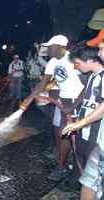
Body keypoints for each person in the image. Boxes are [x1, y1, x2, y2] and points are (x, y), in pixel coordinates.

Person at [20, 35, 84, 181]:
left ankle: (69, 168)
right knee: (61, 133)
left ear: (60, 47)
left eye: (50, 47)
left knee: (70, 135)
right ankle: (63, 163)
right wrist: (28, 100)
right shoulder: (53, 62)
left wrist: (74, 105)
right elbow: (43, 83)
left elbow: (87, 84)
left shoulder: (73, 59)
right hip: (62, 101)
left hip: (75, 102)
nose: (48, 49)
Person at [62, 29, 104, 200]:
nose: (75, 66)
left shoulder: (101, 77)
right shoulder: (93, 76)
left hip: (95, 134)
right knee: (85, 168)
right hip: (85, 132)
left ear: (89, 60)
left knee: (92, 174)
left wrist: (78, 124)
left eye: (78, 63)